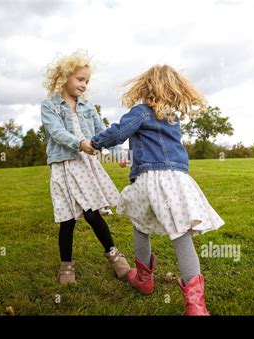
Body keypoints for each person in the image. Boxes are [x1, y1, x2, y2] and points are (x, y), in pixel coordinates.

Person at [89, 65, 225, 315]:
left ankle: (143, 279)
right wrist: (131, 156)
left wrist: (94, 143)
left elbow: (118, 133)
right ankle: (196, 305)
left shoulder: (141, 112)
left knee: (140, 226)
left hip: (148, 181)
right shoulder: (173, 118)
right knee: (181, 234)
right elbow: (155, 146)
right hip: (176, 181)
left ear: (146, 87)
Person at [41, 50, 130, 285]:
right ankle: (66, 266)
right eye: (80, 79)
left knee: (92, 213)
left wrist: (119, 153)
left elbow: (103, 133)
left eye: (87, 81)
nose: (84, 85)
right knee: (67, 219)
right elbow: (57, 132)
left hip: (85, 165)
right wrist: (79, 143)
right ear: (64, 77)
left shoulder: (88, 107)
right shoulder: (50, 106)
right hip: (63, 164)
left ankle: (114, 255)